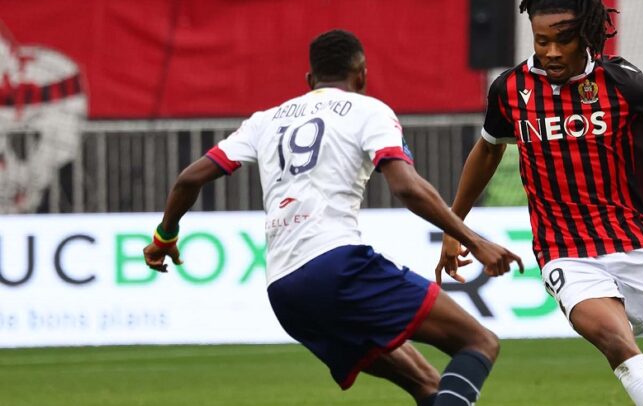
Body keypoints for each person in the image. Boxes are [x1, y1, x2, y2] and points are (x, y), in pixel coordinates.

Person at [143, 30, 523, 406]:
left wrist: (164, 238)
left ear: (310, 79)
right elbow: (406, 187)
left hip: (285, 292)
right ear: (362, 75)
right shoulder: (369, 111)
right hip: (337, 267)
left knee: (427, 384)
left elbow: (189, 179)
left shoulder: (266, 120)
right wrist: (474, 240)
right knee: (479, 342)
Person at [437, 0, 643, 406]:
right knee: (618, 344)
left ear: (586, 35)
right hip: (565, 250)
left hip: (636, 242)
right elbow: (487, 151)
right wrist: (454, 226)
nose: (551, 52)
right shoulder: (511, 89)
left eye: (564, 40)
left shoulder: (620, 81)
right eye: (541, 41)